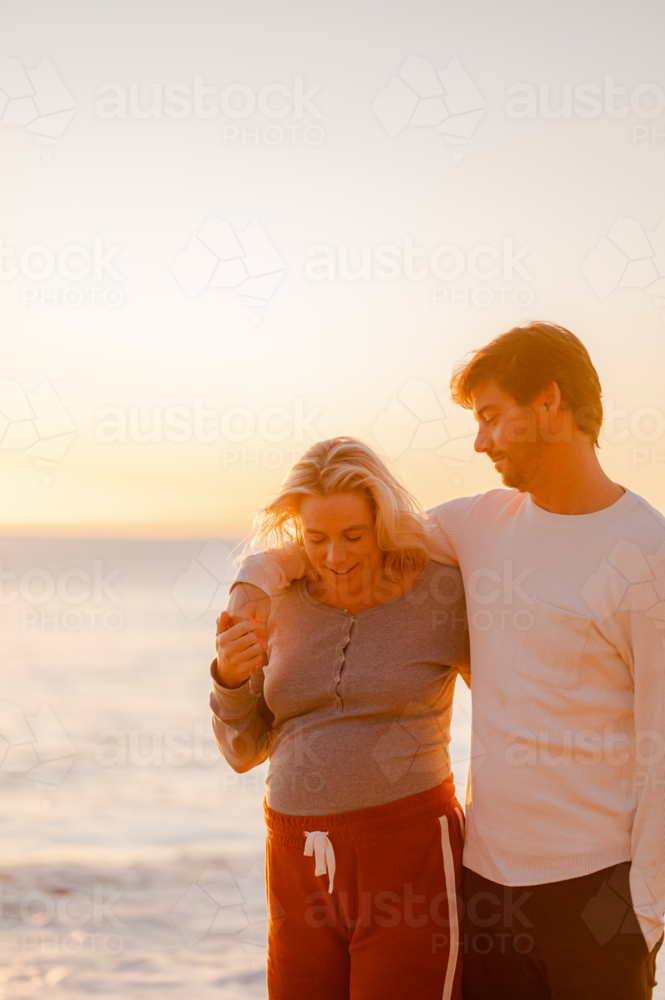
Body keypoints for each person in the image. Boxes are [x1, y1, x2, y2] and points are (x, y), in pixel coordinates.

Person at [227, 322, 665, 1000]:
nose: (479, 440)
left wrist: (646, 913)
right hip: (483, 886)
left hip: (594, 892)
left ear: (550, 404)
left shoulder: (645, 553)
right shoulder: (476, 525)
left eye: (491, 417)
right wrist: (252, 580)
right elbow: (348, 535)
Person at [210, 437, 469, 1000]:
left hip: (409, 857)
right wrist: (229, 679)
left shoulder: (441, 594)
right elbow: (243, 748)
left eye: (353, 536)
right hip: (295, 860)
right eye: (316, 539)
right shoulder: (279, 602)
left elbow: (510, 702)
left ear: (383, 520)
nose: (335, 557)